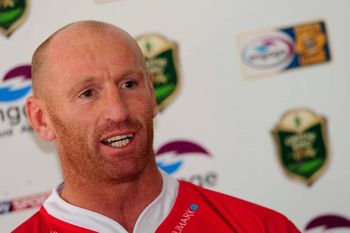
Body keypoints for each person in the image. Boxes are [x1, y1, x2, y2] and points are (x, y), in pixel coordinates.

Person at [13, 20, 300, 233]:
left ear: (151, 94)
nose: (117, 111)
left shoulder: (260, 227)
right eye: (87, 93)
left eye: (129, 84)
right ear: (41, 119)